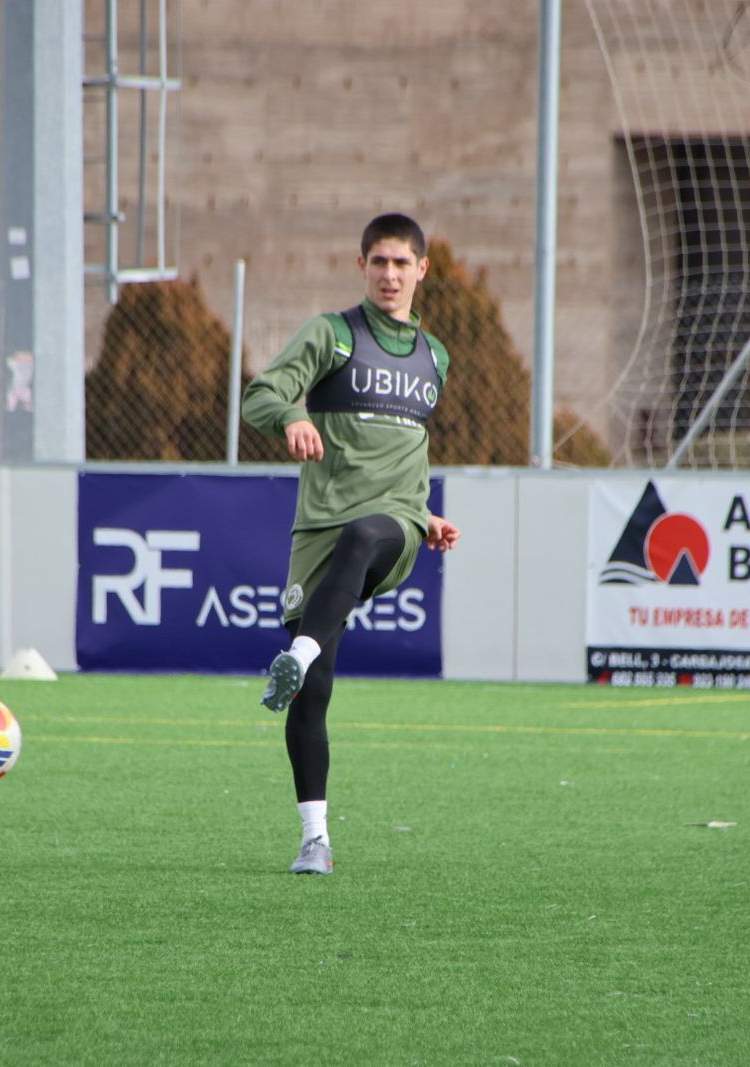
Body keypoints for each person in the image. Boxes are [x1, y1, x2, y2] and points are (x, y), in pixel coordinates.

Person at [242, 212, 460, 876]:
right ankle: (315, 839)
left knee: (368, 531)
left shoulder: (435, 356)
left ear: (422, 269)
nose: (390, 274)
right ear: (361, 265)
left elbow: (412, 450)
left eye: (402, 263)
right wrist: (292, 415)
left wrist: (422, 515)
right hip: (320, 534)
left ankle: (298, 653)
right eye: (379, 262)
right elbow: (260, 395)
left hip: (390, 529)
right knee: (312, 697)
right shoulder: (332, 335)